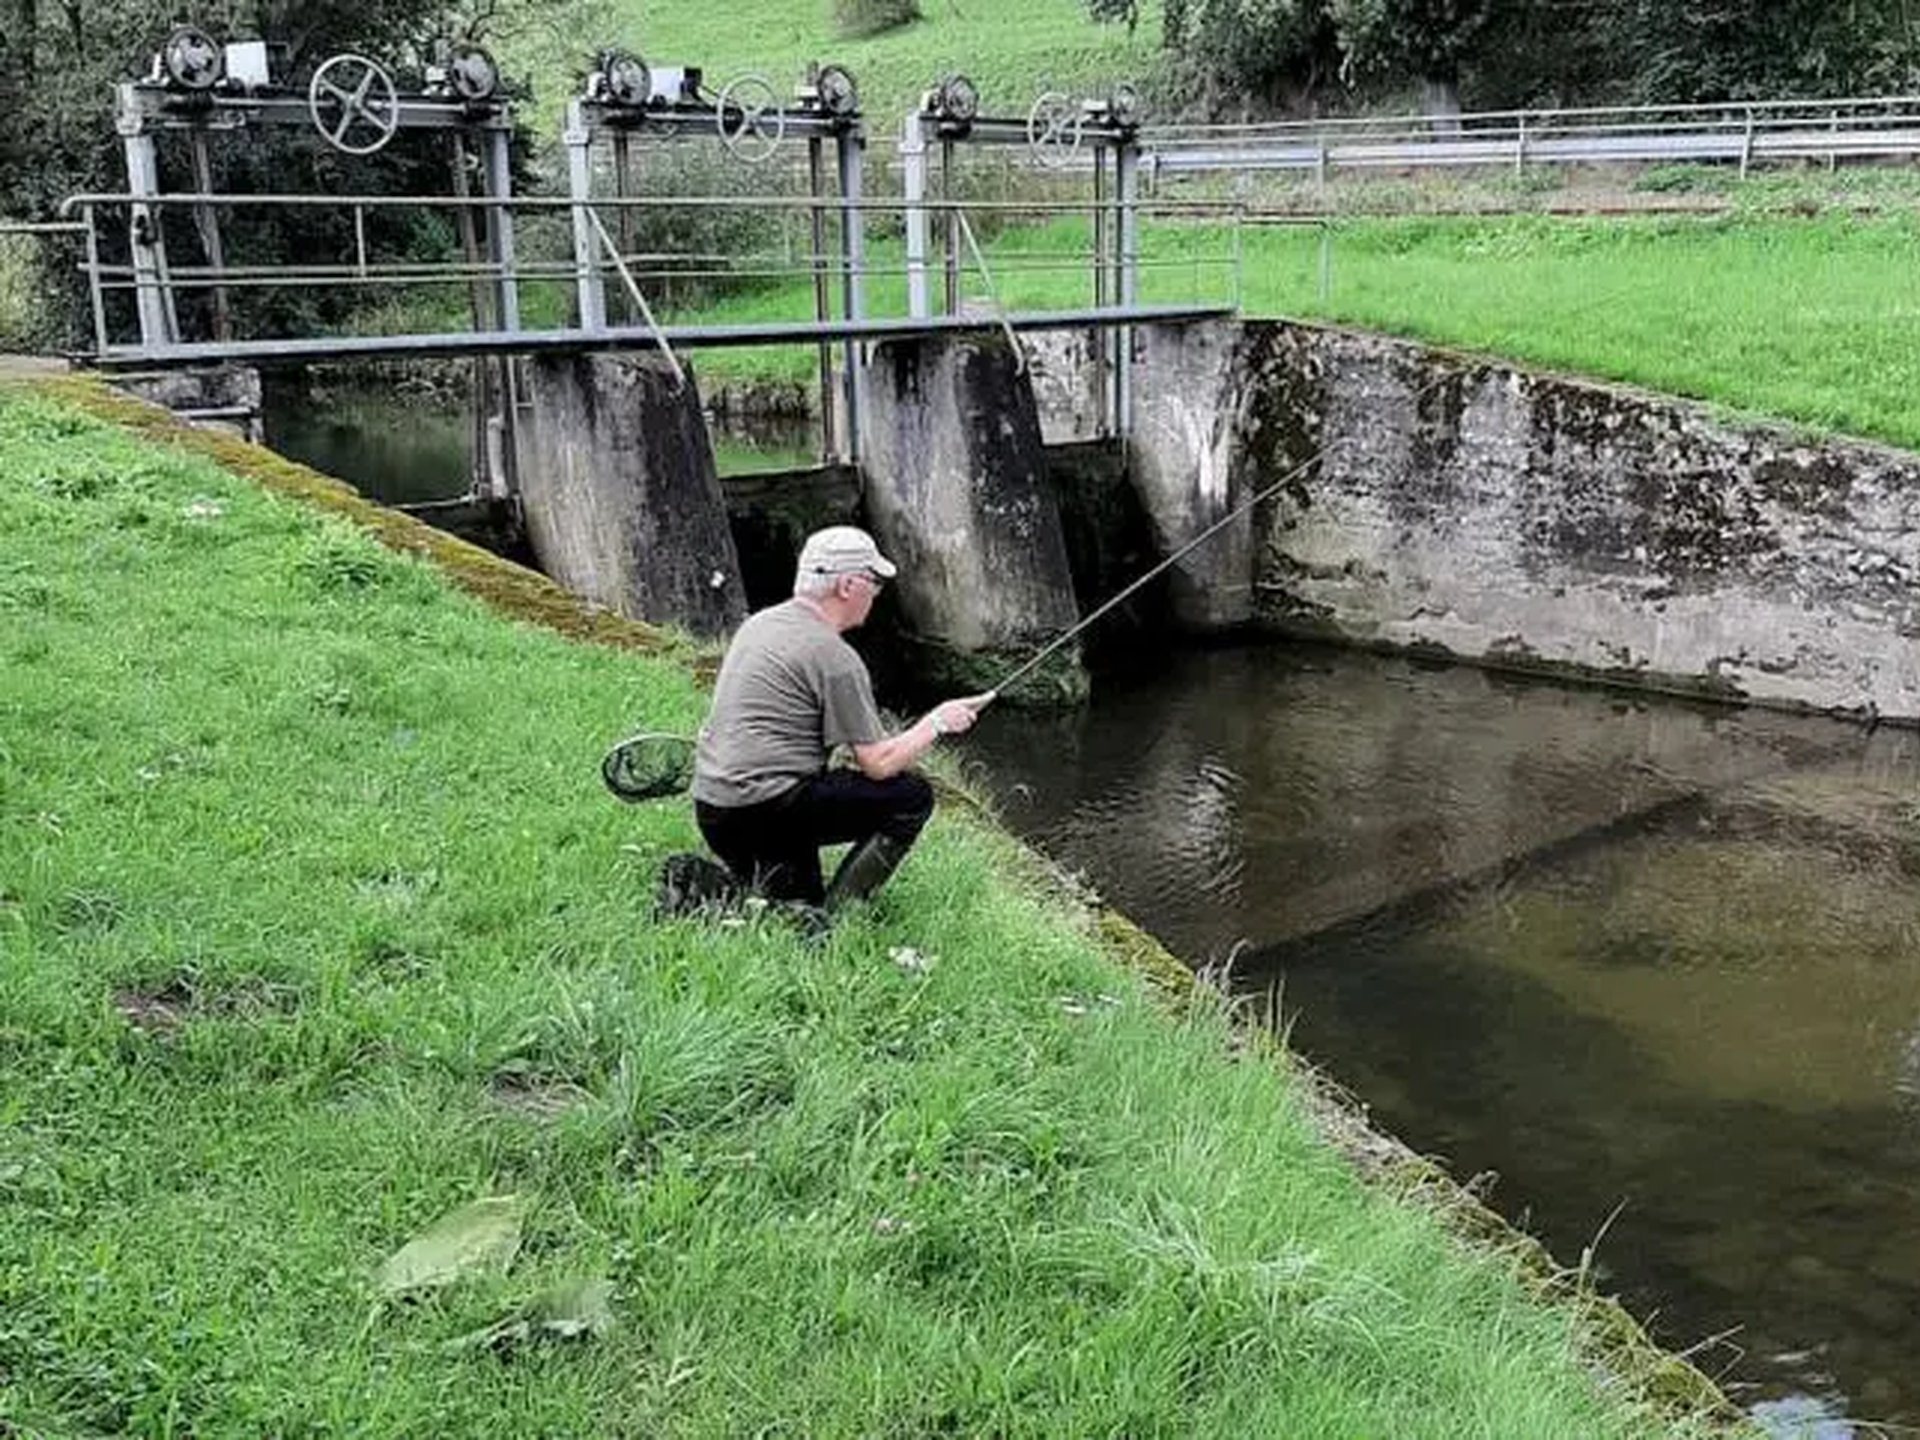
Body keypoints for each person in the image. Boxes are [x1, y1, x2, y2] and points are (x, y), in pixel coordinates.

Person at [671, 525, 990, 922]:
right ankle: (840, 916)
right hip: (769, 812)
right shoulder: (835, 658)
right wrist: (938, 722)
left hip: (715, 810)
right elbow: (879, 763)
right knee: (911, 796)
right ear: (848, 585)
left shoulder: (760, 625)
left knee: (783, 901)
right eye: (874, 582)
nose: (876, 593)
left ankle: (717, 893)